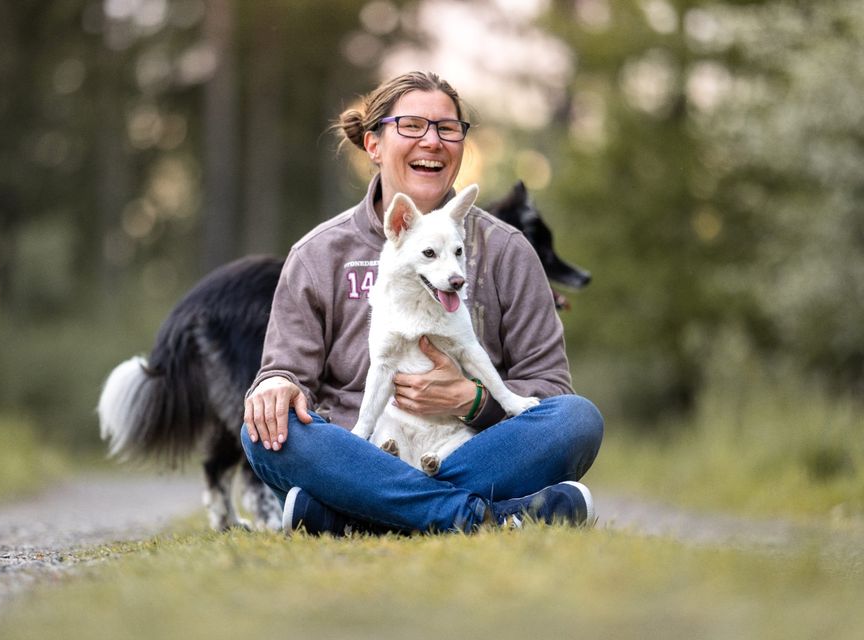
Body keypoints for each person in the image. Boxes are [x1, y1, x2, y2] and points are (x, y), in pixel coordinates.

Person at [241, 71, 603, 534]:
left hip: (466, 447)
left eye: (447, 129)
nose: (432, 141)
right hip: (363, 451)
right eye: (412, 125)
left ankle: (355, 515)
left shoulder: (508, 250)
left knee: (577, 420)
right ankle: (483, 518)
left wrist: (473, 401)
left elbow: (551, 388)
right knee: (262, 428)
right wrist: (275, 383)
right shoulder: (317, 254)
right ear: (373, 145)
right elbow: (287, 372)